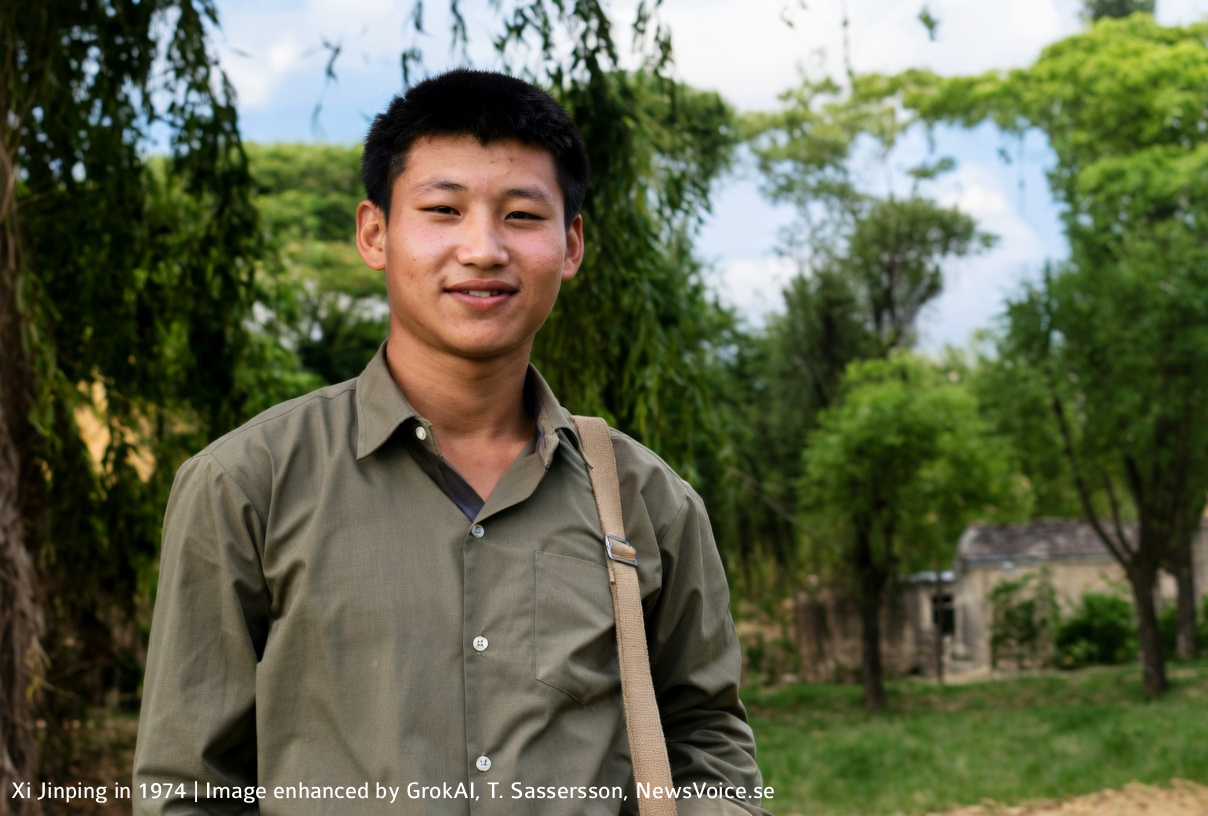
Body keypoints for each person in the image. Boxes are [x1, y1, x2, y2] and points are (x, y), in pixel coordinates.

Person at [133, 68, 769, 815]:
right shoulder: (247, 484)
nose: (482, 249)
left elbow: (706, 738)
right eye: (442, 209)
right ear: (376, 234)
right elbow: (188, 785)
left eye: (522, 217)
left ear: (571, 246)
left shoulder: (646, 501)